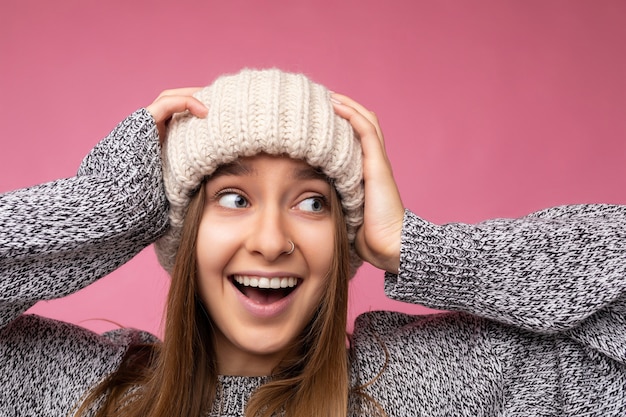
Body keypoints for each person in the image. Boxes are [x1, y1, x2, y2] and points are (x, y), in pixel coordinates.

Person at [0, 68, 625, 417]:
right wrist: (99, 209)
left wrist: (420, 247)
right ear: (184, 230)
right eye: (234, 198)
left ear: (344, 237)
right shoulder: (80, 393)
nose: (271, 241)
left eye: (312, 203)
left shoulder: (427, 388)